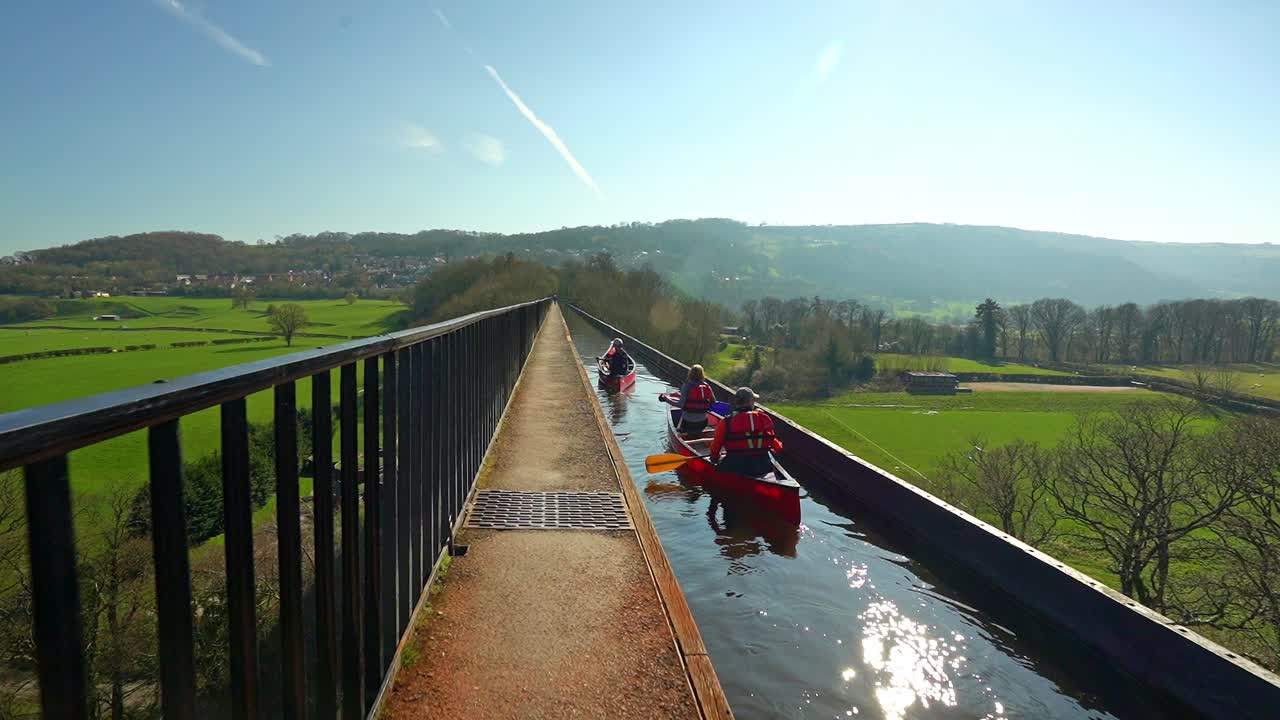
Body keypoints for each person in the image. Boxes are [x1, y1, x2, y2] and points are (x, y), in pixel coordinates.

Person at [709, 386, 783, 477]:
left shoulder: (726, 422)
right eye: (753, 401)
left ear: (736, 402)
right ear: (750, 401)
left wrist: (714, 459)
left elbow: (716, 446)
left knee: (719, 467)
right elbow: (778, 447)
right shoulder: (762, 418)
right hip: (762, 466)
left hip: (735, 466)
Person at [672, 364, 715, 436]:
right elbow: (713, 401)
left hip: (688, 422)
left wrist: (666, 399)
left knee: (682, 415)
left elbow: (680, 405)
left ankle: (682, 434)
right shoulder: (707, 386)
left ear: (690, 373)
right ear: (702, 374)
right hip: (703, 422)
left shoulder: (687, 385)